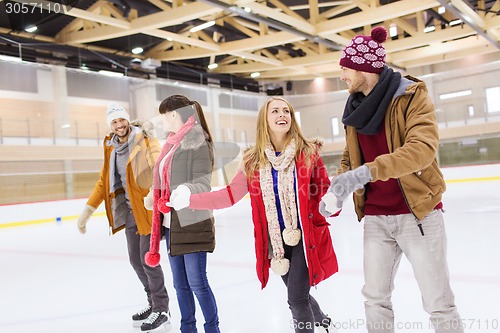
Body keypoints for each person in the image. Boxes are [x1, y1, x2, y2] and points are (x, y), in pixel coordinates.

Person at [320, 27, 464, 333]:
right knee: (375, 299)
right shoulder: (355, 108)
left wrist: (365, 172)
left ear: (363, 67)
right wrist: (339, 188)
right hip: (375, 217)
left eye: (345, 68)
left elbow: (421, 150)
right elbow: (351, 157)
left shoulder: (411, 96)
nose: (342, 76)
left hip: (417, 215)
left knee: (438, 301)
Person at [168, 96, 338, 333]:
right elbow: (229, 196)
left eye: (286, 111)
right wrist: (191, 200)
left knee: (297, 299)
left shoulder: (308, 154)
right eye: (275, 111)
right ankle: (320, 317)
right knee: (297, 290)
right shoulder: (253, 161)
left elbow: (325, 192)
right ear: (264, 121)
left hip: (304, 237)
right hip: (276, 242)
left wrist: (333, 202)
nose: (282, 115)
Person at [76, 103, 171, 332]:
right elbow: (103, 181)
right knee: (135, 260)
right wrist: (88, 211)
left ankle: (162, 309)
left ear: (128, 120)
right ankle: (153, 303)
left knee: (148, 259)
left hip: (147, 209)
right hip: (129, 212)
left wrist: (154, 192)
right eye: (114, 122)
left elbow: (160, 164)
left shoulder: (146, 140)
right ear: (110, 125)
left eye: (122, 120)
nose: (119, 125)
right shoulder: (110, 148)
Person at [144, 94, 221, 333]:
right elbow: (165, 179)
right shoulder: (172, 143)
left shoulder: (197, 141)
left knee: (197, 283)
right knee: (180, 285)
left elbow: (202, 183)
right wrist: (152, 194)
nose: (162, 120)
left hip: (193, 222)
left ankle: (212, 329)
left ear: (173, 114)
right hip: (171, 225)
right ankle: (187, 329)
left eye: (163, 115)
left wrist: (186, 191)